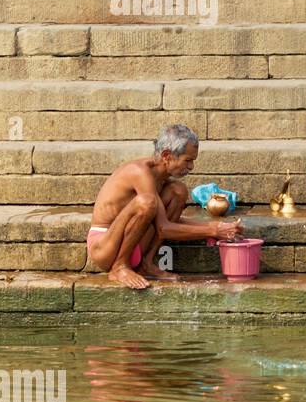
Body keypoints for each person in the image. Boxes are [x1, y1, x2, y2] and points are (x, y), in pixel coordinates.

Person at [87, 123, 242, 290]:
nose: (191, 167)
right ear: (167, 155)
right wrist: (213, 231)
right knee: (146, 202)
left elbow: (167, 221)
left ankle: (146, 263)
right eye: (188, 160)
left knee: (178, 191)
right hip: (105, 247)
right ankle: (119, 268)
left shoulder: (162, 179)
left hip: (134, 244)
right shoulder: (139, 172)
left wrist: (218, 227)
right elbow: (163, 228)